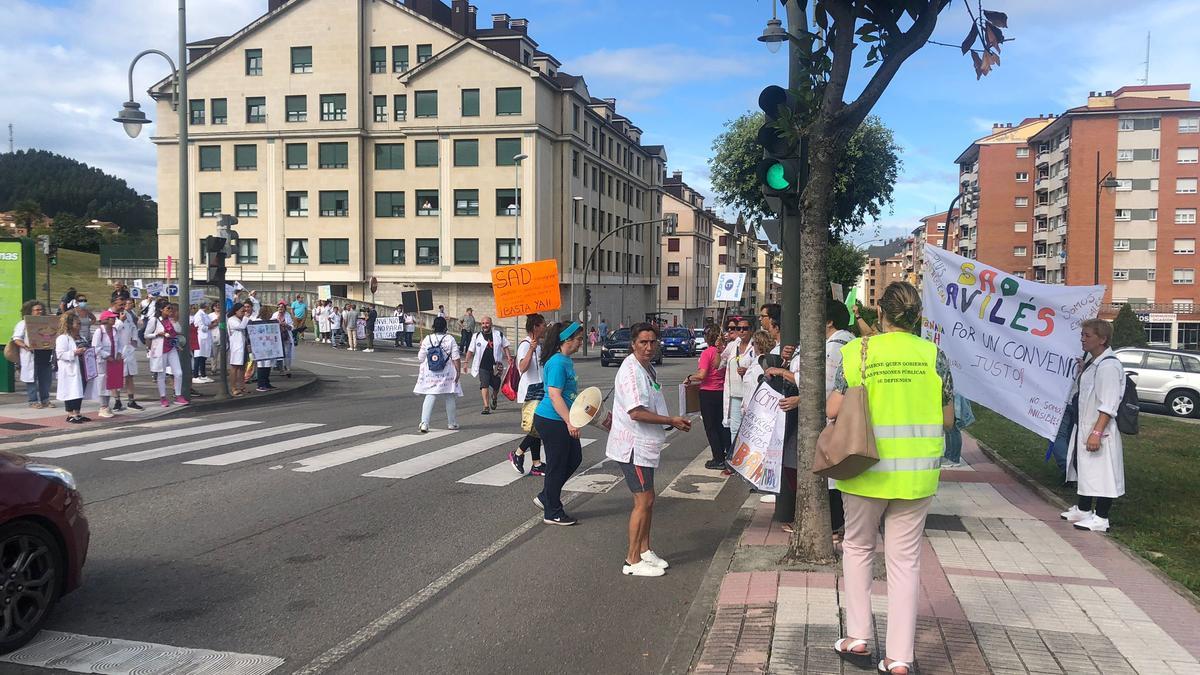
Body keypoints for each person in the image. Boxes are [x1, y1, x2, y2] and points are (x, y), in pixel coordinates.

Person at [828, 282, 953, 675]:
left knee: (858, 548)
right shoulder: (934, 355)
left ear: (880, 314)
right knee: (905, 561)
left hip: (864, 470)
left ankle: (859, 637)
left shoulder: (856, 352)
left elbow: (834, 407)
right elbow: (948, 418)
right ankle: (900, 658)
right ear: (918, 317)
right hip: (916, 477)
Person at [608, 322, 692, 576]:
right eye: (643, 342)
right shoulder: (631, 372)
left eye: (652, 342)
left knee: (649, 499)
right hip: (633, 446)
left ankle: (644, 549)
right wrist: (671, 421)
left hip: (645, 444)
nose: (648, 346)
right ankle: (631, 560)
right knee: (643, 501)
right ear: (633, 344)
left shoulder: (647, 368)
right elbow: (636, 412)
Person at [1060, 318, 1126, 533]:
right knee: (1085, 469)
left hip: (1099, 428)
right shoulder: (1093, 363)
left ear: (1102, 339)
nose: (1082, 339)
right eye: (1082, 335)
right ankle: (1084, 508)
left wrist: (1097, 432)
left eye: (1087, 336)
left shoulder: (1108, 367)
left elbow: (1108, 404)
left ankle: (1102, 517)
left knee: (1103, 473)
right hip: (1085, 425)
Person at [533, 322, 586, 526]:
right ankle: (552, 511)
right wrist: (569, 422)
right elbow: (554, 396)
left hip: (562, 418)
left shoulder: (565, 361)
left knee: (574, 458)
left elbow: (566, 393)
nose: (581, 343)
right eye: (579, 339)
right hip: (552, 419)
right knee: (557, 465)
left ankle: (547, 496)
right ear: (566, 340)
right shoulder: (557, 362)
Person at [508, 313, 548, 476]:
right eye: (543, 325)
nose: (545, 327)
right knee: (538, 427)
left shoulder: (539, 345)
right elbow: (522, 368)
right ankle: (517, 453)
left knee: (536, 427)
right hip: (531, 390)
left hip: (540, 388)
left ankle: (536, 464)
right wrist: (531, 349)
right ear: (535, 327)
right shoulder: (526, 345)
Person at [685, 324, 729, 470]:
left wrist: (690, 377)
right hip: (722, 391)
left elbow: (702, 375)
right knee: (721, 425)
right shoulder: (724, 352)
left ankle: (718, 458)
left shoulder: (707, 353)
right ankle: (725, 454)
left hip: (708, 392)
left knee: (711, 427)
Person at [414, 316, 462, 432]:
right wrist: (458, 372)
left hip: (431, 373)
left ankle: (424, 423)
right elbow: (456, 357)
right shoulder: (450, 339)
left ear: (433, 327)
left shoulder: (427, 339)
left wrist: (422, 347)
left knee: (430, 395)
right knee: (449, 395)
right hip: (447, 373)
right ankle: (452, 423)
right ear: (445, 327)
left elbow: (420, 358)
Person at [463, 316, 511, 415]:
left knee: (496, 385)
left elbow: (505, 346)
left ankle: (494, 397)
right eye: (483, 323)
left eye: (487, 323)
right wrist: (466, 362)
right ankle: (486, 406)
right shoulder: (476, 336)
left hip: (496, 366)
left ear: (491, 324)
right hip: (482, 366)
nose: (485, 325)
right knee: (484, 385)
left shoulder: (498, 334)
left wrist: (509, 357)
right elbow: (470, 350)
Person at [12, 300, 55, 409]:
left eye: (41, 309)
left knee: (45, 379)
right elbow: (16, 338)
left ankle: (45, 400)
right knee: (31, 380)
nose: (40, 312)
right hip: (31, 355)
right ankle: (33, 401)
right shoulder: (23, 324)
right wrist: (26, 346)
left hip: (45, 355)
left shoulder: (47, 323)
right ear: (30, 311)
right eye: (37, 310)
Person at [145, 303, 189, 407]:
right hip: (160, 350)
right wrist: (157, 334)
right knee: (162, 374)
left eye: (171, 309)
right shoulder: (154, 320)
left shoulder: (170, 320)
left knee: (178, 373)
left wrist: (174, 320)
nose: (170, 310)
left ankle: (178, 395)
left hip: (171, 348)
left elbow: (178, 331)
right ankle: (163, 397)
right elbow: (146, 334)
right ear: (161, 309)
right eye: (168, 308)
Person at [55, 313, 95, 423]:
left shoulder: (80, 337)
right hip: (70, 369)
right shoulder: (63, 338)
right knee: (70, 390)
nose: (80, 326)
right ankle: (70, 414)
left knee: (79, 391)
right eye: (77, 323)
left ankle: (77, 412)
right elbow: (60, 354)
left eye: (80, 323)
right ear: (70, 325)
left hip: (83, 368)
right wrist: (75, 353)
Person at [721, 316, 754, 443]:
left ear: (751, 330)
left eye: (745, 328)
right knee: (734, 428)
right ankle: (734, 457)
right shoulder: (732, 345)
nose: (741, 331)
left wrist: (748, 371)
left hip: (749, 394)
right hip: (734, 394)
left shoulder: (755, 346)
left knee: (749, 428)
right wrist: (719, 349)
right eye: (738, 328)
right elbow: (719, 364)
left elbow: (761, 367)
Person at [115, 298, 144, 411]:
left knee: (130, 376)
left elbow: (133, 328)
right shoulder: (110, 315)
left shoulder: (128, 314)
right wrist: (120, 321)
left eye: (124, 304)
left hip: (129, 349)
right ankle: (117, 401)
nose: (123, 306)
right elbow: (113, 331)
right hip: (118, 351)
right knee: (117, 377)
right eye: (121, 304)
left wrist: (134, 340)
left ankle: (131, 401)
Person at [92, 310, 121, 418]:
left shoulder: (115, 331)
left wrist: (119, 353)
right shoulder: (99, 331)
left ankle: (107, 406)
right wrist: (106, 355)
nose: (113, 320)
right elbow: (96, 348)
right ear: (105, 320)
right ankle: (102, 406)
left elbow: (120, 344)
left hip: (113, 361)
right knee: (102, 382)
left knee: (111, 383)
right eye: (111, 318)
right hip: (103, 361)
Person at [227, 304, 249, 396]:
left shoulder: (241, 319)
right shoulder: (232, 320)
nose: (244, 313)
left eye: (244, 311)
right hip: (236, 347)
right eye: (242, 311)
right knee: (235, 367)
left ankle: (242, 386)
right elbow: (241, 327)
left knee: (242, 367)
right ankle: (233, 388)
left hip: (243, 346)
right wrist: (246, 318)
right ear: (235, 311)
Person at [270, 302, 295, 377]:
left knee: (287, 353)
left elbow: (291, 327)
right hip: (277, 338)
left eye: (282, 307)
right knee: (279, 354)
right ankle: (281, 370)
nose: (280, 308)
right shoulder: (275, 315)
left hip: (286, 336)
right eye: (279, 307)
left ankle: (288, 369)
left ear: (284, 308)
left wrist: (285, 325)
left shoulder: (287, 315)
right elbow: (270, 323)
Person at [192, 302, 214, 383]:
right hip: (200, 338)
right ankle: (195, 376)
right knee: (198, 356)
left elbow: (208, 323)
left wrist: (212, 323)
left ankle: (203, 375)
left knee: (203, 357)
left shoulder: (205, 314)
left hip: (206, 338)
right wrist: (211, 326)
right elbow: (202, 327)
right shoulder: (199, 315)